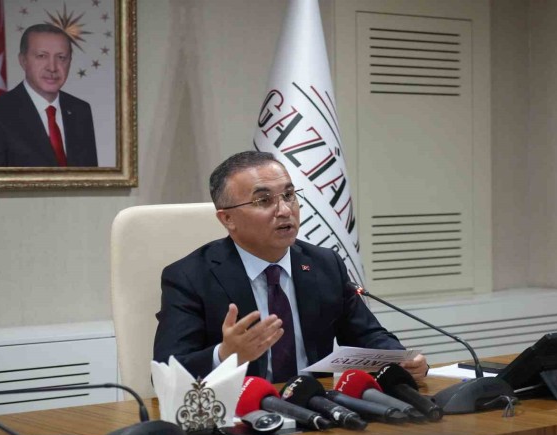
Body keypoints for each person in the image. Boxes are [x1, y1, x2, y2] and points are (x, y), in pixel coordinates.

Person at [153, 151, 428, 382]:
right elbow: (165, 372)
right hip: (240, 414)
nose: (285, 210)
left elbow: (367, 336)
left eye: (289, 195)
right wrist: (224, 355)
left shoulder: (324, 264)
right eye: (264, 200)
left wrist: (402, 359)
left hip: (319, 409)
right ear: (227, 219)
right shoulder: (190, 277)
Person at [0, 24, 98, 167]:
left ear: (70, 62)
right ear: (23, 60)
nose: (52, 67)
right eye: (42, 56)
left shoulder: (80, 110)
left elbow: (90, 176)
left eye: (61, 57)